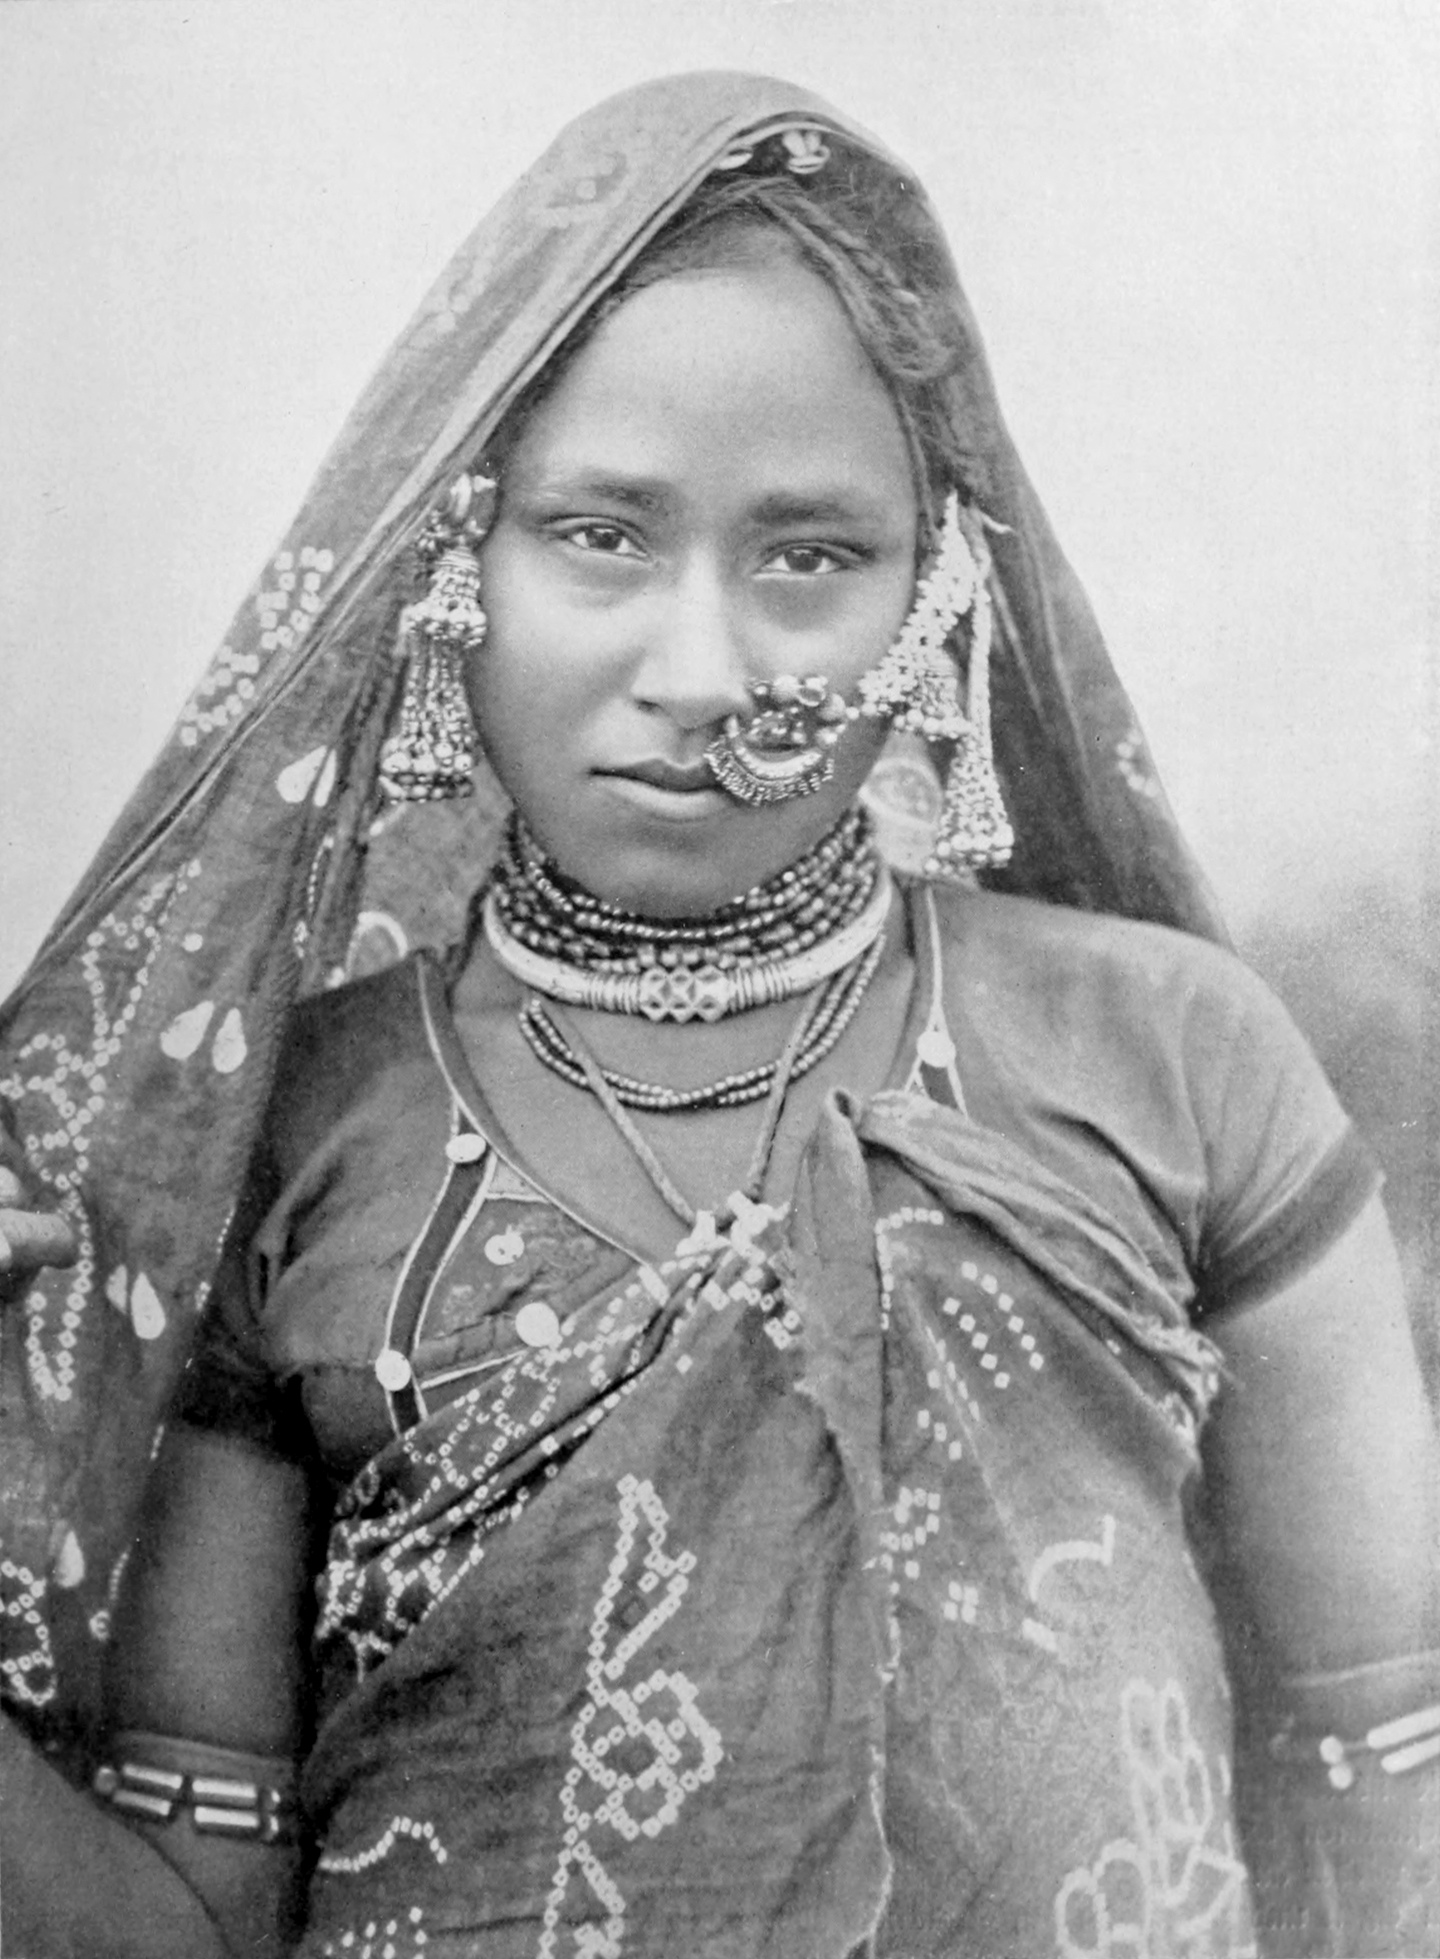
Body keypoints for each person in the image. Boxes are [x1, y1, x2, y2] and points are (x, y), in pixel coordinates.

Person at [1, 71, 1435, 1959]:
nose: (700, 670)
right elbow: (179, 1928)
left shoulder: (1175, 1058)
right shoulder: (290, 1134)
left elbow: (1393, 1787)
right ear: (454, 564)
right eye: (600, 535)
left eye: (810, 555)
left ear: (941, 592)